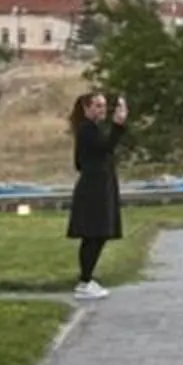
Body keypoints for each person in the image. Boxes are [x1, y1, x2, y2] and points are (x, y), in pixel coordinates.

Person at [67, 87, 128, 298]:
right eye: (98, 106)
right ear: (86, 108)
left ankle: (87, 278)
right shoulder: (87, 129)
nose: (102, 110)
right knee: (94, 234)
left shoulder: (91, 129)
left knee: (98, 235)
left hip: (100, 185)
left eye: (104, 106)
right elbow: (105, 147)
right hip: (93, 189)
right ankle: (85, 281)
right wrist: (118, 126)